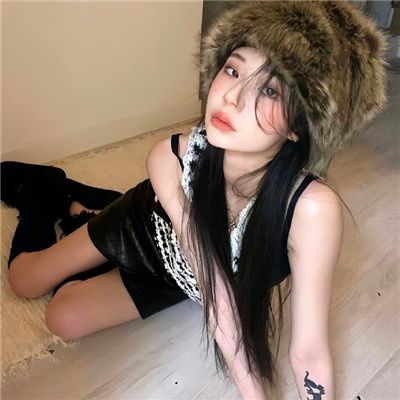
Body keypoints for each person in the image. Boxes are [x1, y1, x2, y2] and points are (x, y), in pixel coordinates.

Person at [1, 1, 389, 398]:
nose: (232, 97)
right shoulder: (170, 157)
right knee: (25, 280)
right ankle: (46, 188)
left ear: (300, 127)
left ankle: (84, 218)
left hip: (182, 278)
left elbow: (309, 351)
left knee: (63, 316)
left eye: (270, 90)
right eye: (232, 70)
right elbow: (215, 286)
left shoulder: (311, 209)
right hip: (141, 231)